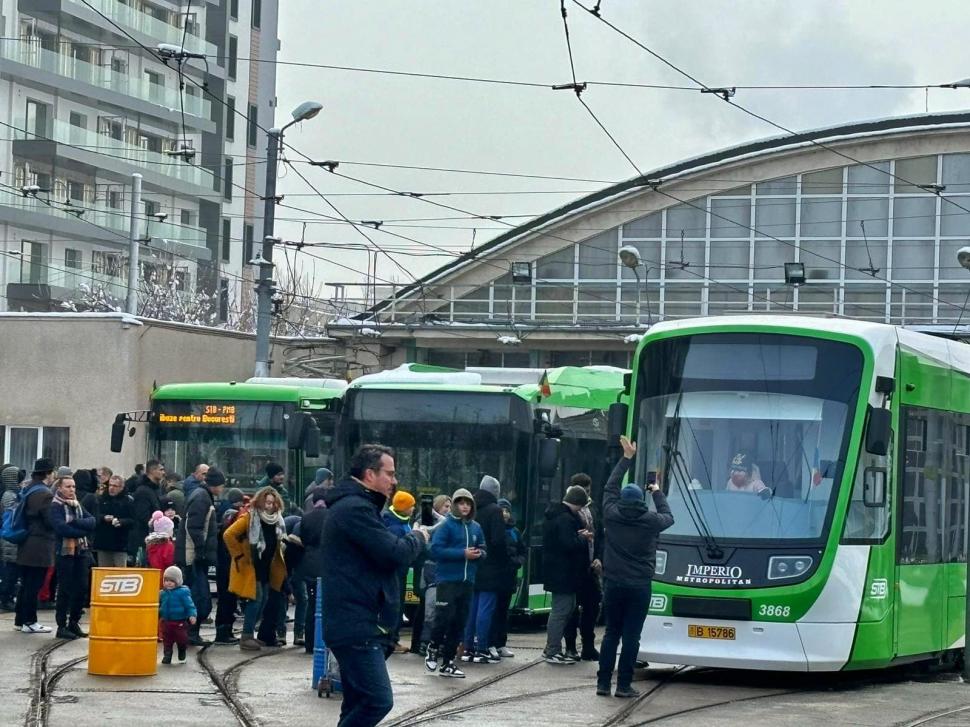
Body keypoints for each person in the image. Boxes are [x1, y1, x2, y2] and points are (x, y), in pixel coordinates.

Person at [320, 444, 428, 726]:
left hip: (359, 621)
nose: (394, 481)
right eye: (389, 474)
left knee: (357, 701)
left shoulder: (359, 506)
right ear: (370, 474)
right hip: (358, 624)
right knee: (378, 700)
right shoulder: (355, 509)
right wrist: (418, 537)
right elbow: (395, 553)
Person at [597, 436, 674, 699]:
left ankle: (603, 684)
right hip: (639, 585)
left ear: (621, 499)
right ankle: (623, 685)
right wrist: (657, 491)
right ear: (641, 500)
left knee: (610, 634)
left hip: (613, 583)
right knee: (631, 637)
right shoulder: (650, 520)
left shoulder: (611, 513)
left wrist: (626, 457)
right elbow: (669, 517)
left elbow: (609, 486)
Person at [425, 488, 486, 678]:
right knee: (443, 618)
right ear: (455, 506)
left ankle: (449, 662)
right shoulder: (446, 526)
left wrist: (480, 554)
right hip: (447, 580)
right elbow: (435, 550)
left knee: (460, 622)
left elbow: (483, 548)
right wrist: (462, 554)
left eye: (468, 503)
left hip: (468, 581)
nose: (465, 506)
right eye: (461, 503)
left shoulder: (476, 527)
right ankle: (433, 647)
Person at [224, 485, 287, 651]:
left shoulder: (278, 520)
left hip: (267, 567)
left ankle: (250, 634)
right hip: (251, 567)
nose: (270, 506)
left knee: (263, 599)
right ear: (260, 502)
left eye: (273, 503)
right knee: (255, 600)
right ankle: (246, 636)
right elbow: (228, 535)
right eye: (267, 502)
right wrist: (239, 556)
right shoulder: (249, 518)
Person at [542, 484, 594, 664]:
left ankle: (552, 647)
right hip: (563, 573)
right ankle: (553, 649)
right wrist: (582, 537)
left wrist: (577, 534)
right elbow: (567, 544)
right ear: (578, 503)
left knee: (566, 608)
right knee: (561, 610)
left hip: (559, 572)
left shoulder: (555, 515)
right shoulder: (565, 518)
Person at [177, 467, 225, 646]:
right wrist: (201, 550)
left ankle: (191, 632)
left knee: (197, 596)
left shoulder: (200, 495)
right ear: (215, 484)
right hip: (194, 556)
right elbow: (195, 527)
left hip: (194, 555)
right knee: (200, 597)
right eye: (221, 485)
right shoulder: (202, 498)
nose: (222, 489)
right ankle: (190, 633)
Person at [463, 475, 508, 664]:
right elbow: (498, 541)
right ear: (495, 492)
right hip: (491, 567)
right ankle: (482, 647)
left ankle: (467, 646)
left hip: (473, 564)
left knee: (471, 609)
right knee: (486, 609)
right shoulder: (495, 511)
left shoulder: (470, 509)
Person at [50, 475, 96, 640]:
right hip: (65, 552)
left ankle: (74, 622)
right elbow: (62, 528)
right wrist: (82, 529)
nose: (71, 490)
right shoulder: (55, 506)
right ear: (60, 488)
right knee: (65, 589)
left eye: (73, 487)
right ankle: (61, 625)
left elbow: (92, 521)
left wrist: (76, 524)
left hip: (81, 551)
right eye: (68, 487)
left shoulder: (77, 504)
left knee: (82, 587)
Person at [564, 472, 603, 661]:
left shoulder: (593, 509)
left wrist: (599, 558)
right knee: (571, 609)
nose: (587, 496)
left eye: (588, 491)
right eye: (583, 492)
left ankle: (588, 645)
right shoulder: (566, 511)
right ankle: (570, 646)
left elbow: (600, 536)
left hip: (590, 568)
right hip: (573, 569)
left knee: (592, 606)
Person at [15, 458, 56, 634]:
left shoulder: (29, 488)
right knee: (34, 584)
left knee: (25, 583)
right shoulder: (44, 494)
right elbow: (49, 520)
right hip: (39, 544)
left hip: (26, 542)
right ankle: (30, 620)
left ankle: (20, 618)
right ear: (48, 473)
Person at [415, 495, 451, 655]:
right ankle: (425, 642)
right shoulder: (428, 524)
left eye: (450, 507)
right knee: (430, 609)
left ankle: (436, 642)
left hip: (442, 572)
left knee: (440, 610)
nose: (448, 510)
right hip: (431, 571)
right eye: (445, 507)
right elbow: (427, 548)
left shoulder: (450, 525)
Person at [490, 498, 525, 658]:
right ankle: (490, 642)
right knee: (492, 610)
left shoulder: (515, 531)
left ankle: (501, 643)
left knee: (504, 611)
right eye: (502, 510)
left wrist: (517, 562)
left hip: (509, 577)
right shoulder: (495, 529)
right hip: (495, 576)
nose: (505, 513)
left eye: (507, 510)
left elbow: (522, 552)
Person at [382, 489, 415, 653]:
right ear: (403, 507)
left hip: (400, 570)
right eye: (411, 505)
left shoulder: (402, 522)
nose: (413, 508)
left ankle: (393, 638)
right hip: (397, 571)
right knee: (396, 605)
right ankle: (392, 640)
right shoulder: (396, 527)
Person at [298, 486, 328, 654]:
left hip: (309, 565)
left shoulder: (306, 517)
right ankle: (323, 642)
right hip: (327, 565)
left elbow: (303, 539)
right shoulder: (332, 516)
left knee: (312, 605)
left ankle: (310, 643)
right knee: (326, 606)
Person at [213, 493, 246, 645]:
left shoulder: (223, 519)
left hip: (223, 564)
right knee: (229, 599)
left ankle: (223, 629)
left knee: (225, 599)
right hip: (230, 565)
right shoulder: (232, 524)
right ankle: (224, 631)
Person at [92, 475, 135, 567]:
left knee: (120, 573)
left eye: (115, 486)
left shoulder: (128, 501)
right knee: (104, 573)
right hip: (103, 542)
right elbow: (94, 516)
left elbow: (133, 520)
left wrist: (121, 522)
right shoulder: (101, 499)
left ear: (122, 487)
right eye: (110, 485)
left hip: (120, 544)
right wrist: (104, 518)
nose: (111, 488)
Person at [158, 565, 197, 665]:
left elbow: (189, 605)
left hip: (179, 622)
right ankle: (167, 655)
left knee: (182, 638)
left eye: (172, 581)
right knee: (167, 640)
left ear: (178, 581)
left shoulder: (183, 592)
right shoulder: (162, 593)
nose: (168, 583)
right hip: (166, 621)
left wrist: (192, 615)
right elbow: (158, 605)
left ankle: (182, 650)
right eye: (166, 580)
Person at [131, 460, 165, 564]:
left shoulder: (156, 490)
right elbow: (142, 516)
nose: (164, 472)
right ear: (152, 471)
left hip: (154, 538)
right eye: (161, 469)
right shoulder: (143, 491)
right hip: (145, 539)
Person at [1, 463, 22, 611]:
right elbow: (13, 515)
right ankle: (5, 598)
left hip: (11, 539)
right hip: (9, 539)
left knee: (12, 571)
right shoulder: (9, 496)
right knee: (10, 571)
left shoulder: (14, 494)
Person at [146, 512, 176, 585]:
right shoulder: (168, 545)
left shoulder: (151, 544)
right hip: (166, 577)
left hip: (154, 575)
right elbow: (169, 561)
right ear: (167, 531)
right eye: (171, 529)